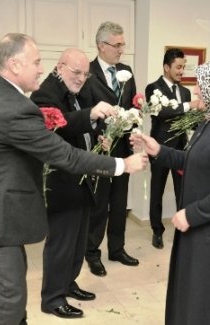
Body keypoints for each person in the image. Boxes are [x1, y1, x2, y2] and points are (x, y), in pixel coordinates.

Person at [0, 33, 147, 325]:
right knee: (10, 297)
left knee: (13, 289)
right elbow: (66, 156)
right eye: (37, 62)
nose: (42, 68)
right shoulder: (14, 107)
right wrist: (122, 164)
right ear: (15, 65)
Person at [132, 59, 210, 325]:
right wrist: (160, 151)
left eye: (202, 83)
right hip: (208, 226)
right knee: (198, 294)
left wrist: (191, 214)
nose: (197, 90)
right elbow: (195, 161)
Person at [29, 48, 117, 318]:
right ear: (60, 67)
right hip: (60, 181)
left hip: (80, 178)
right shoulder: (45, 93)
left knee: (78, 240)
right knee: (62, 243)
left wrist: (100, 136)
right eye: (75, 72)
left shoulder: (78, 89)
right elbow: (61, 125)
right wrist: (91, 115)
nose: (81, 78)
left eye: (85, 74)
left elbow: (87, 122)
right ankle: (52, 298)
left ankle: (68, 283)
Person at [85, 21, 138, 277]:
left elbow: (133, 106)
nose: (121, 50)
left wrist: (134, 124)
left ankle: (117, 249)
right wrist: (99, 135)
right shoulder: (87, 73)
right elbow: (83, 112)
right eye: (117, 45)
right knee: (99, 203)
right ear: (101, 46)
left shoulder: (127, 72)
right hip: (100, 150)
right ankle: (92, 253)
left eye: (122, 44)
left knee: (119, 203)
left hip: (124, 151)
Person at [146, 48, 199, 249]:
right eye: (178, 67)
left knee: (183, 192)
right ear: (166, 67)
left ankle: (182, 229)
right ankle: (157, 231)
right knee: (156, 191)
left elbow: (187, 121)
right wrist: (189, 106)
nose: (181, 71)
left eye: (183, 67)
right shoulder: (153, 88)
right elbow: (160, 113)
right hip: (159, 150)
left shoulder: (185, 91)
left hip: (180, 152)